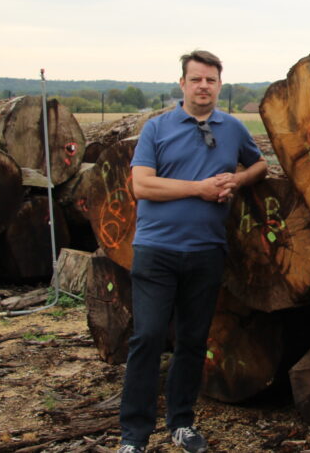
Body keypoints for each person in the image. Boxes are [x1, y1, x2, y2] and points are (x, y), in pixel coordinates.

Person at [118, 50, 267, 453]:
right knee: (147, 338)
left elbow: (260, 166)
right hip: (157, 251)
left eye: (211, 80)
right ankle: (133, 435)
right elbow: (142, 186)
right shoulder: (157, 129)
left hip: (206, 252)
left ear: (220, 85)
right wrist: (198, 188)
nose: (203, 86)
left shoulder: (232, 128)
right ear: (182, 84)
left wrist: (239, 179)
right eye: (196, 79)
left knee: (192, 340)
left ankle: (181, 423)